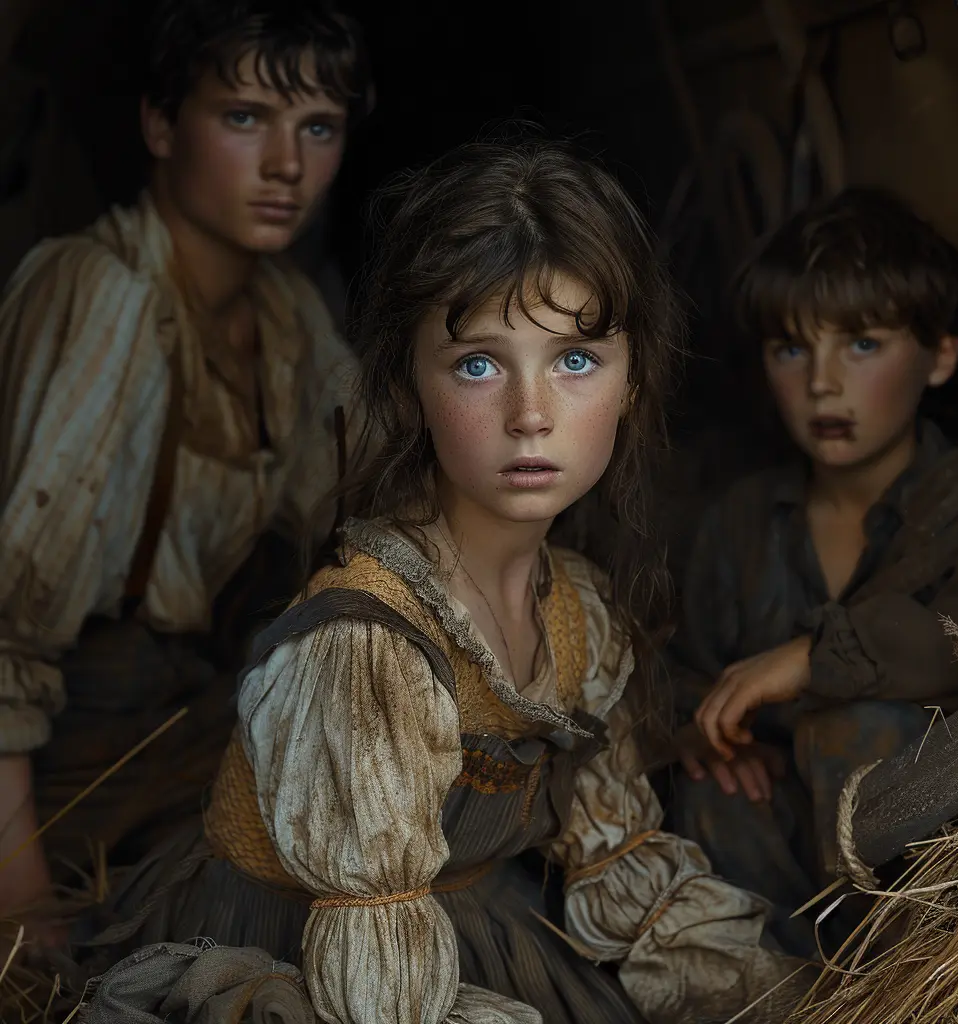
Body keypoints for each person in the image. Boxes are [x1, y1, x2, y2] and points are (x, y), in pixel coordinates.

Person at [76, 138, 811, 1024]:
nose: (531, 415)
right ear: (409, 384)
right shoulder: (366, 643)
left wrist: (781, 1000)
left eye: (575, 359)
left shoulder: (578, 613)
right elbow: (376, 979)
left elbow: (620, 865)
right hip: (321, 964)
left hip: (467, 927)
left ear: (633, 379)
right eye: (477, 363)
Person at [0, 0, 372, 932]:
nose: (287, 165)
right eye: (244, 118)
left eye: (317, 127)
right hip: (58, 767)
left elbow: (375, 525)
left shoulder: (290, 321)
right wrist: (26, 920)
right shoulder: (102, 296)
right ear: (161, 124)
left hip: (185, 725)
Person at [667, 188, 958, 956]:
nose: (822, 382)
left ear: (942, 354)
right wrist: (708, 735)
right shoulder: (739, 522)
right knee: (714, 796)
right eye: (791, 348)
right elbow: (674, 671)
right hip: (780, 869)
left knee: (859, 726)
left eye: (862, 344)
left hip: (920, 887)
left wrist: (812, 661)